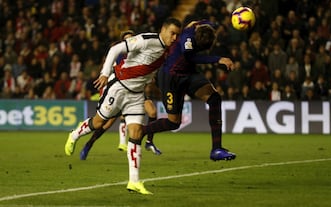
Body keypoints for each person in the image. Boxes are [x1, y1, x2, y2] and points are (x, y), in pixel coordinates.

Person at [64, 18, 182, 194]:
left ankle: (134, 181)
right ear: (163, 29)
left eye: (177, 35)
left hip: (136, 95)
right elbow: (115, 49)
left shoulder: (167, 49)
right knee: (98, 123)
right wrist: (105, 73)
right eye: (172, 33)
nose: (174, 38)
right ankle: (74, 134)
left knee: (136, 133)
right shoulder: (147, 39)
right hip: (119, 88)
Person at [141, 20, 236, 161]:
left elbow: (197, 22)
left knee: (214, 98)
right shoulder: (188, 37)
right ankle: (141, 131)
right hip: (171, 78)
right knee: (174, 123)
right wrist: (218, 59)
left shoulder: (195, 27)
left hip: (188, 74)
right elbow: (189, 56)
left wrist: (223, 22)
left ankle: (216, 149)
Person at [79, 30, 162, 161]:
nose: (129, 41)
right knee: (104, 125)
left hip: (135, 92)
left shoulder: (140, 52)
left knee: (152, 111)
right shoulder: (119, 56)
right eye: (127, 39)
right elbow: (112, 76)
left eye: (131, 38)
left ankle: (149, 142)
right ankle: (89, 144)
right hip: (119, 91)